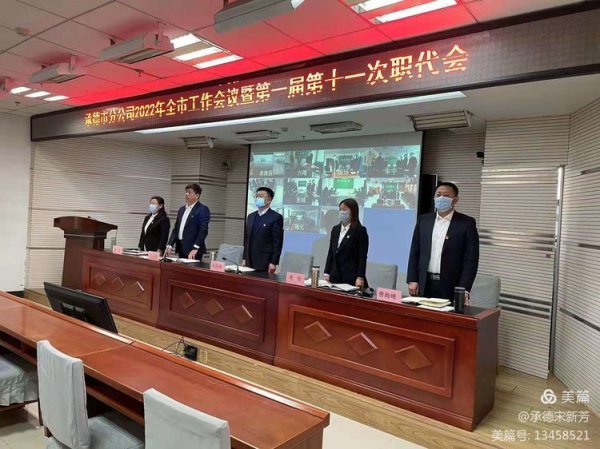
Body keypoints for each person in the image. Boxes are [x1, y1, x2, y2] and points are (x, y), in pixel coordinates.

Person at [407, 182, 479, 300]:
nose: (441, 198)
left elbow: (471, 260)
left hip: (451, 285)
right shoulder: (424, 220)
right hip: (424, 283)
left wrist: (463, 289)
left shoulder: (466, 223)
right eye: (438, 195)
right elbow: (415, 251)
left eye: (446, 195)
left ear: (455, 200)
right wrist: (412, 279)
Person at [324, 198, 369, 287]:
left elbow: (362, 257)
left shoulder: (360, 231)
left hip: (351, 277)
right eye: (340, 209)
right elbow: (331, 253)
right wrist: (326, 273)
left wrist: (360, 277)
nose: (341, 212)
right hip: (335, 276)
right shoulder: (335, 229)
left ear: (353, 211)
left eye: (344, 209)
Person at [243, 187, 284, 273]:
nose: (258, 198)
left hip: (264, 261)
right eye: (256, 196)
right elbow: (246, 239)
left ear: (269, 200)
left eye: (261, 196)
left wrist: (273, 262)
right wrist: (244, 258)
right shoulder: (251, 216)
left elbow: (277, 242)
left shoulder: (276, 217)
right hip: (249, 260)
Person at [165, 183, 210, 260]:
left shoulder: (202, 209)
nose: (186, 194)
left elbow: (203, 230)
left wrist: (196, 247)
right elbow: (176, 229)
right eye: (186, 192)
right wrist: (169, 245)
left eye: (189, 192)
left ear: (197, 195)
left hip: (193, 250)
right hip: (181, 248)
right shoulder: (182, 209)